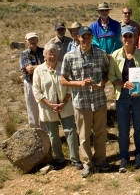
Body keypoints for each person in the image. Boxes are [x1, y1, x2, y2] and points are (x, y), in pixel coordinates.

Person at [60, 26, 110, 178]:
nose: (86, 39)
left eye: (89, 36)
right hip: (81, 102)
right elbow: (62, 80)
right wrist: (79, 83)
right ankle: (88, 163)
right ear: (78, 38)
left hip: (99, 100)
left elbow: (107, 73)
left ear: (91, 38)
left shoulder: (101, 54)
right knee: (83, 135)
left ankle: (101, 160)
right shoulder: (70, 56)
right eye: (84, 36)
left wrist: (102, 82)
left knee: (101, 132)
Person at [32, 43, 82, 170]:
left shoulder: (64, 67)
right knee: (53, 135)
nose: (52, 56)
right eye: (49, 54)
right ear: (45, 56)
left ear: (58, 55)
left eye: (55, 53)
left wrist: (64, 102)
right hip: (48, 107)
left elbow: (71, 86)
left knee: (70, 131)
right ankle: (59, 159)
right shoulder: (39, 70)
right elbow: (36, 90)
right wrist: (49, 104)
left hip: (65, 105)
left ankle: (75, 159)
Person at [109, 26, 140, 172]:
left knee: (138, 128)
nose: (128, 39)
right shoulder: (115, 55)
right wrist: (122, 84)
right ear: (121, 38)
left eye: (130, 36)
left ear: (134, 38)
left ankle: (139, 155)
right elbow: (112, 76)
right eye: (125, 36)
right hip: (122, 96)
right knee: (123, 129)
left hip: (138, 96)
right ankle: (124, 158)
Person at [20, 32, 47, 131]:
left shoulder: (43, 51)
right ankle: (35, 132)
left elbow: (49, 65)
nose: (33, 41)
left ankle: (46, 133)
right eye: (30, 39)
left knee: (44, 107)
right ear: (26, 42)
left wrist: (36, 67)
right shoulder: (24, 54)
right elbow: (29, 69)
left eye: (34, 39)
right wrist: (43, 66)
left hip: (43, 83)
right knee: (32, 108)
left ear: (37, 40)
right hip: (30, 83)